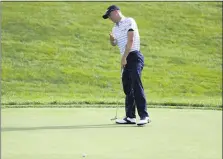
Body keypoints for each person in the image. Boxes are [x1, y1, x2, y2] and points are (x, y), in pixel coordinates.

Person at [102, 5, 151, 126]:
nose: (110, 18)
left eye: (110, 15)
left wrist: (124, 57)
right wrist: (112, 39)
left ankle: (144, 116)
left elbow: (131, 40)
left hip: (134, 56)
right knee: (127, 87)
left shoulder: (129, 21)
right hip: (126, 57)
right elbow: (115, 43)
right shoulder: (114, 28)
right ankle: (130, 116)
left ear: (116, 12)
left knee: (136, 85)